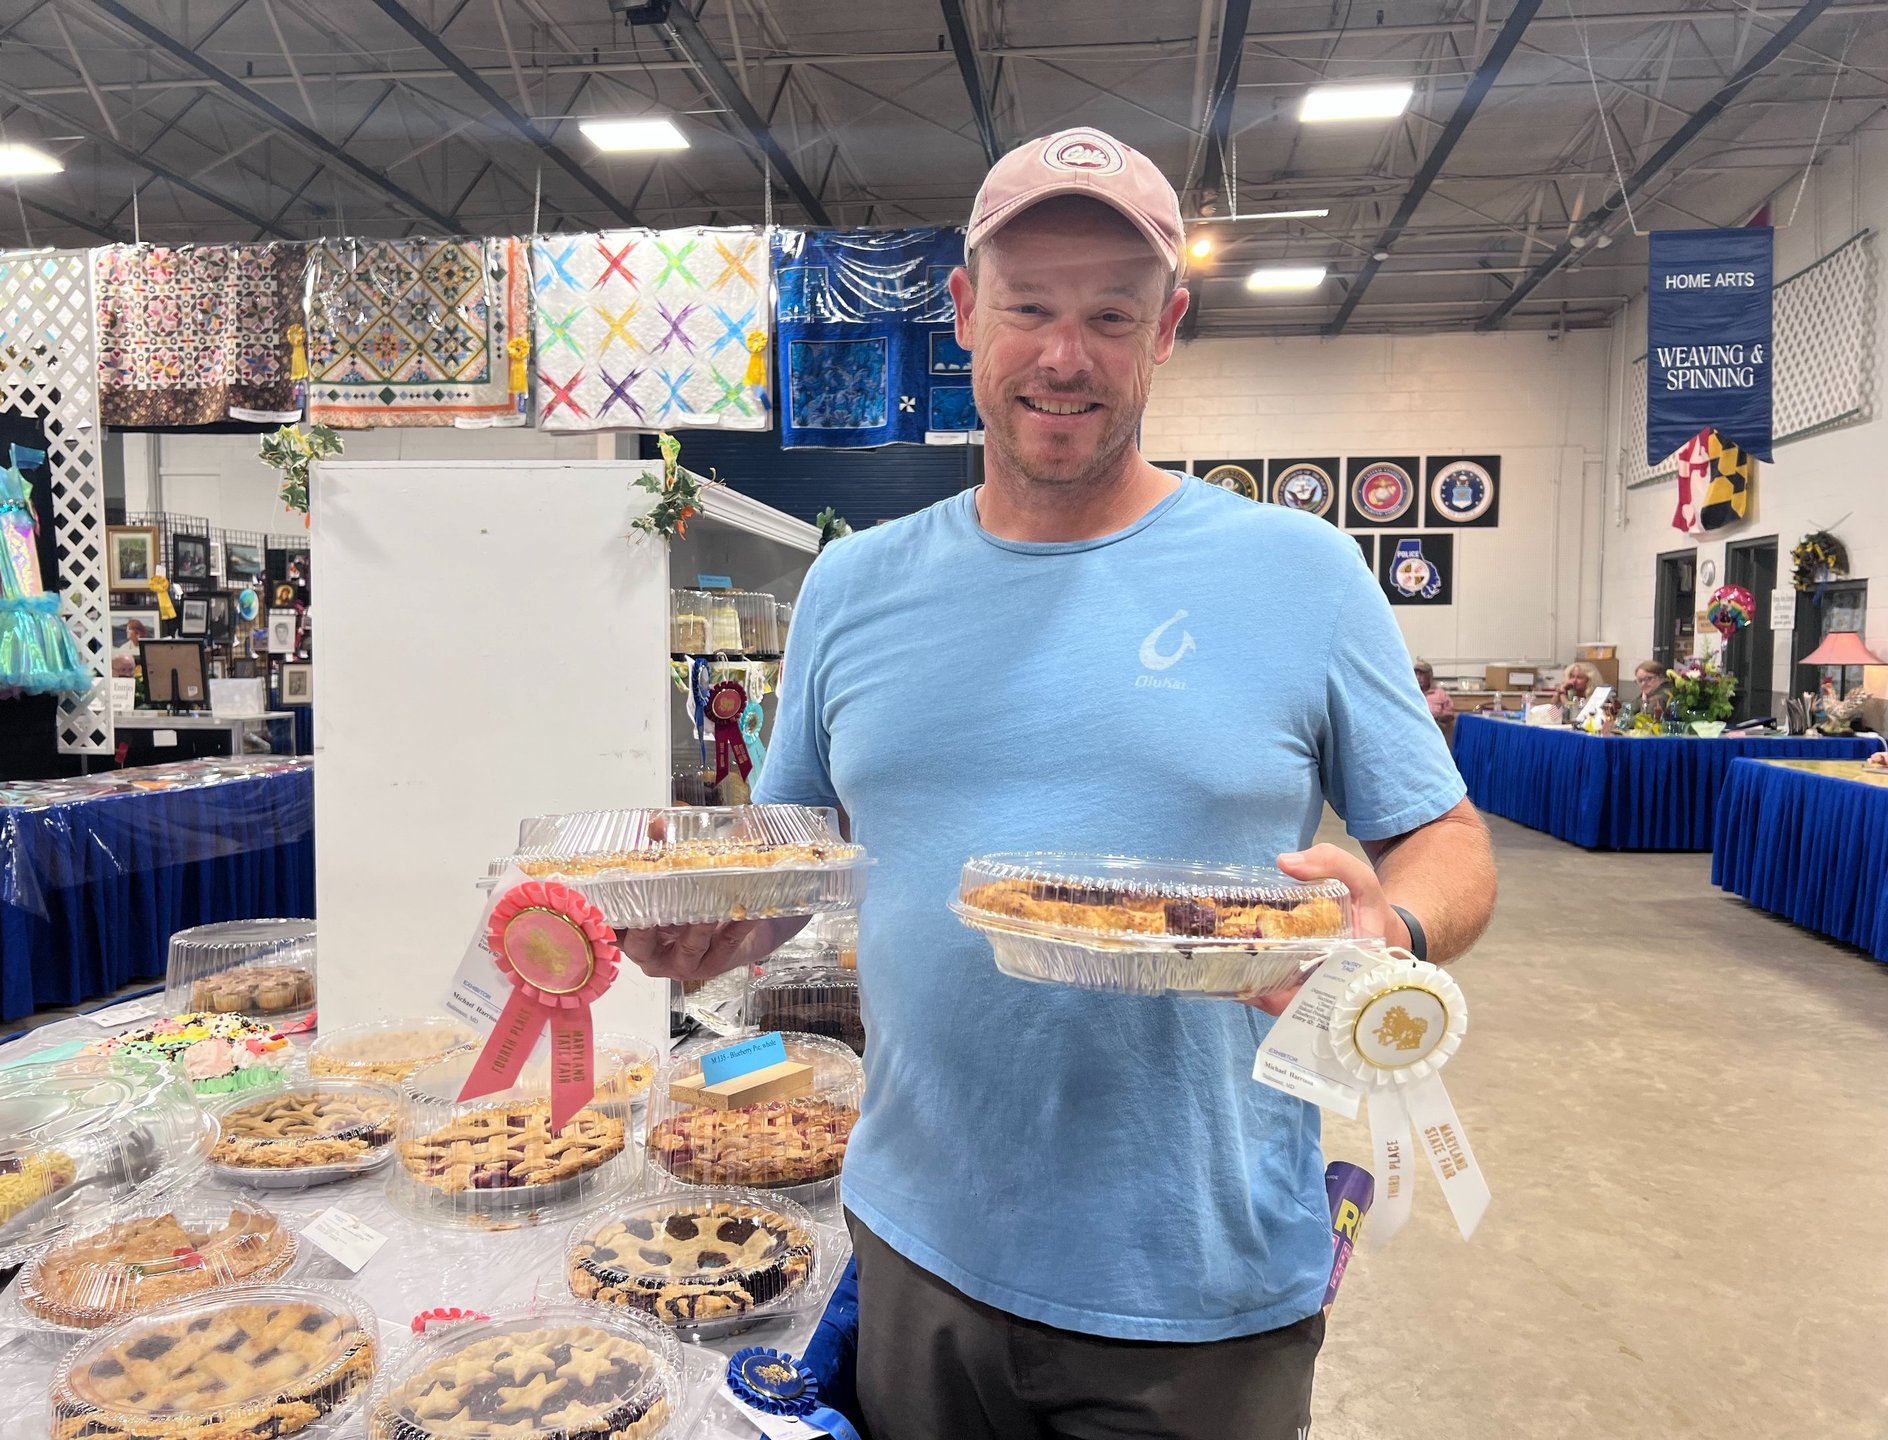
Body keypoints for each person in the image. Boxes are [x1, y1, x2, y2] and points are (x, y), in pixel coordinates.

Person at [622, 126, 1498, 1440]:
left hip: (1202, 1283)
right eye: (1029, 308)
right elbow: (790, 854)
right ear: (966, 313)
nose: (1063, 355)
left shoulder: (1298, 575)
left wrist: (1391, 929)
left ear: (1168, 328)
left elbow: (1452, 843)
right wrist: (708, 926)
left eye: (1109, 314)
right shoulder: (852, 591)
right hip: (921, 1250)